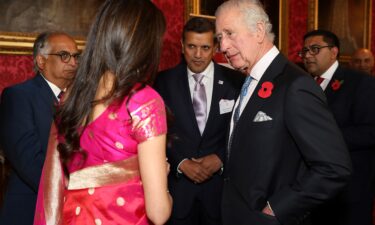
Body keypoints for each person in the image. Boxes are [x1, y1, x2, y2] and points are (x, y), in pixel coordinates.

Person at [33, 0, 172, 225]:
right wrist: (162, 183)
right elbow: (158, 212)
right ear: (145, 44)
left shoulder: (71, 97)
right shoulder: (143, 101)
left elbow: (56, 180)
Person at [215, 1, 352, 225]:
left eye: (229, 33)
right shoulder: (248, 81)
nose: (223, 46)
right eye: (219, 37)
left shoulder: (296, 85)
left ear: (259, 31)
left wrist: (277, 209)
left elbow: (334, 168)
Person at [154, 17, 243, 225]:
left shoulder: (235, 81)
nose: (198, 55)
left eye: (205, 47)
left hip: (220, 192)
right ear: (182, 46)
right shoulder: (162, 81)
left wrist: (221, 158)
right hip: (177, 192)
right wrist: (181, 162)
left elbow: (242, 131)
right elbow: (157, 132)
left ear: (215, 48)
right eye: (192, 46)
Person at [0, 31, 79, 225]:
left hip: (76, 209)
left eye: (76, 56)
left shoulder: (82, 101)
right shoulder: (18, 96)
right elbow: (28, 161)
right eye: (64, 55)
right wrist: (74, 190)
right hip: (30, 208)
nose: (73, 63)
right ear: (41, 61)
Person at [301, 29, 375, 225]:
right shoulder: (303, 84)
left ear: (333, 52)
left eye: (315, 49)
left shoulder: (360, 83)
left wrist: (321, 138)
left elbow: (370, 132)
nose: (308, 55)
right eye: (305, 50)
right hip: (312, 186)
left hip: (348, 189)